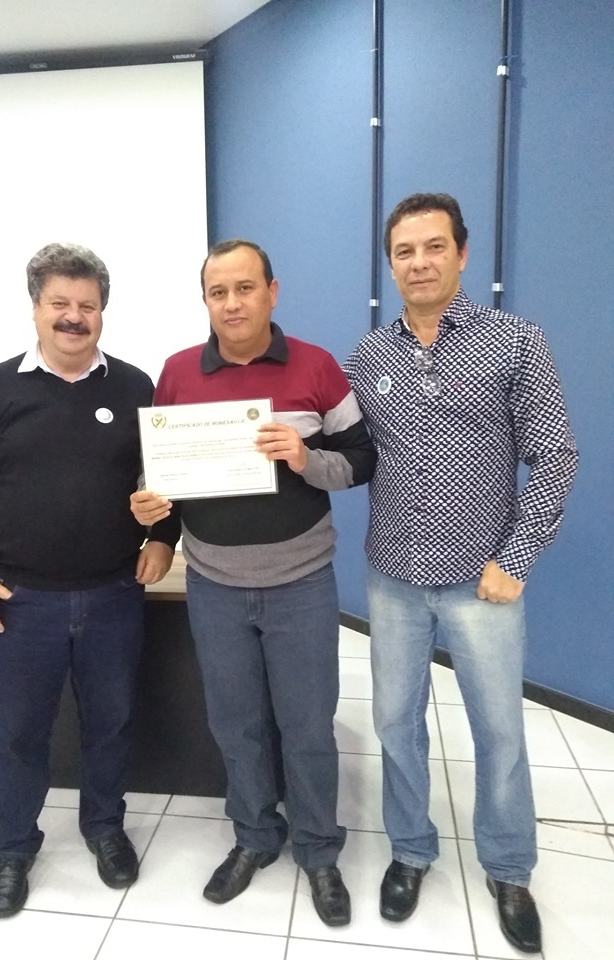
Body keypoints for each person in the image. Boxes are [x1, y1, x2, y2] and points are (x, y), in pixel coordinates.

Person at [343, 193, 578, 954]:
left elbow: (555, 456)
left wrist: (517, 558)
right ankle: (411, 850)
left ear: (462, 253)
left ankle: (508, 868)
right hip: (393, 575)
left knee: (499, 730)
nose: (419, 263)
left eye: (434, 247)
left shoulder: (515, 341)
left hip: (483, 580)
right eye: (404, 251)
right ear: (391, 264)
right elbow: (332, 441)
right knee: (394, 722)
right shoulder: (367, 357)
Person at [131, 239, 375, 927]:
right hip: (214, 584)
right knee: (235, 724)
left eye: (245, 288)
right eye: (218, 292)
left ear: (272, 291)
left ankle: (319, 850)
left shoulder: (318, 367)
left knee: (306, 725)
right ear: (205, 301)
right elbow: (162, 471)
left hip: (301, 582)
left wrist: (305, 459)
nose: (232, 303)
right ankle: (255, 837)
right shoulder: (178, 372)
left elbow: (361, 459)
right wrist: (153, 516)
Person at [0, 242, 178, 918]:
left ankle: (104, 828)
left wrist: (163, 538)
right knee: (18, 733)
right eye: (60, 304)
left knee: (111, 724)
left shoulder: (135, 386)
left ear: (103, 312)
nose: (74, 317)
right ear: (36, 308)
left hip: (113, 595)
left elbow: (169, 479)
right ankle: (14, 848)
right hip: (21, 602)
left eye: (88, 306)